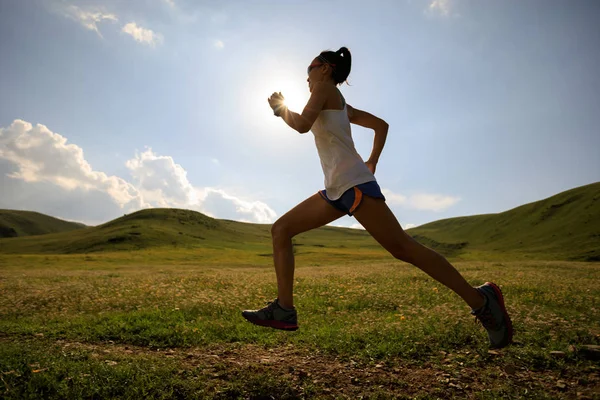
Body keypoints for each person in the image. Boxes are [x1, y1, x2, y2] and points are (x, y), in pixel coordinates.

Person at [242, 47, 513, 348]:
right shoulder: (342, 105)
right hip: (337, 188)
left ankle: (481, 300)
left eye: (310, 69)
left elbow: (303, 125)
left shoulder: (322, 88)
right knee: (281, 229)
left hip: (353, 185)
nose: (307, 78)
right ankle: (284, 309)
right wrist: (372, 161)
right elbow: (381, 126)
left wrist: (280, 108)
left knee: (404, 248)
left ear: (325, 69)